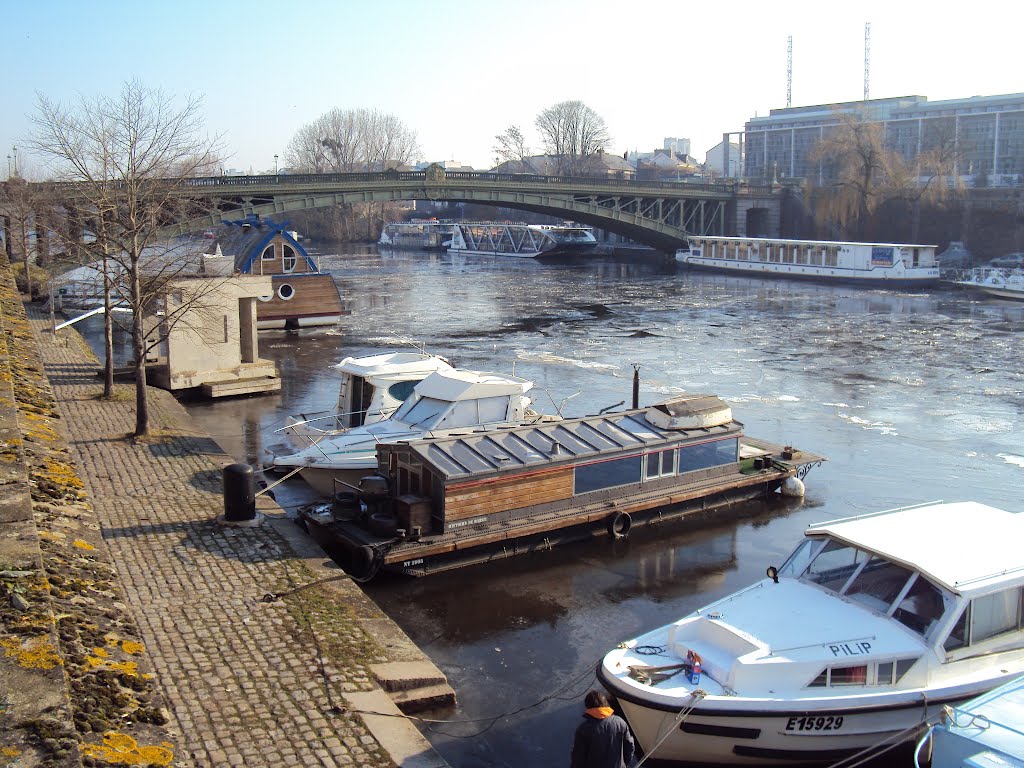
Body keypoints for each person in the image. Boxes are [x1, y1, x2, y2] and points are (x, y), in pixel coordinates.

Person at [570, 689, 635, 768]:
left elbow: (578, 759)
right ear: (605, 704)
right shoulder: (620, 722)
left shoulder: (583, 730)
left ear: (588, 707)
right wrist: (623, 765)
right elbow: (630, 747)